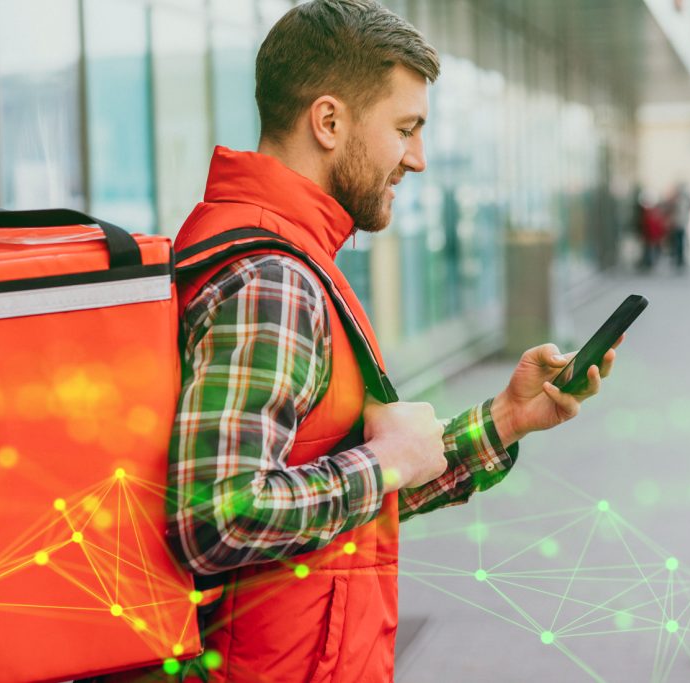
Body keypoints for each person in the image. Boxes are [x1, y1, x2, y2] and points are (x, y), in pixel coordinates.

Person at [99, 2, 617, 681]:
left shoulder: (279, 253)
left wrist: (507, 418)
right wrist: (385, 462)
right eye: (405, 129)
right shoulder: (273, 279)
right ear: (329, 122)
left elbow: (342, 498)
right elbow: (217, 518)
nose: (418, 159)